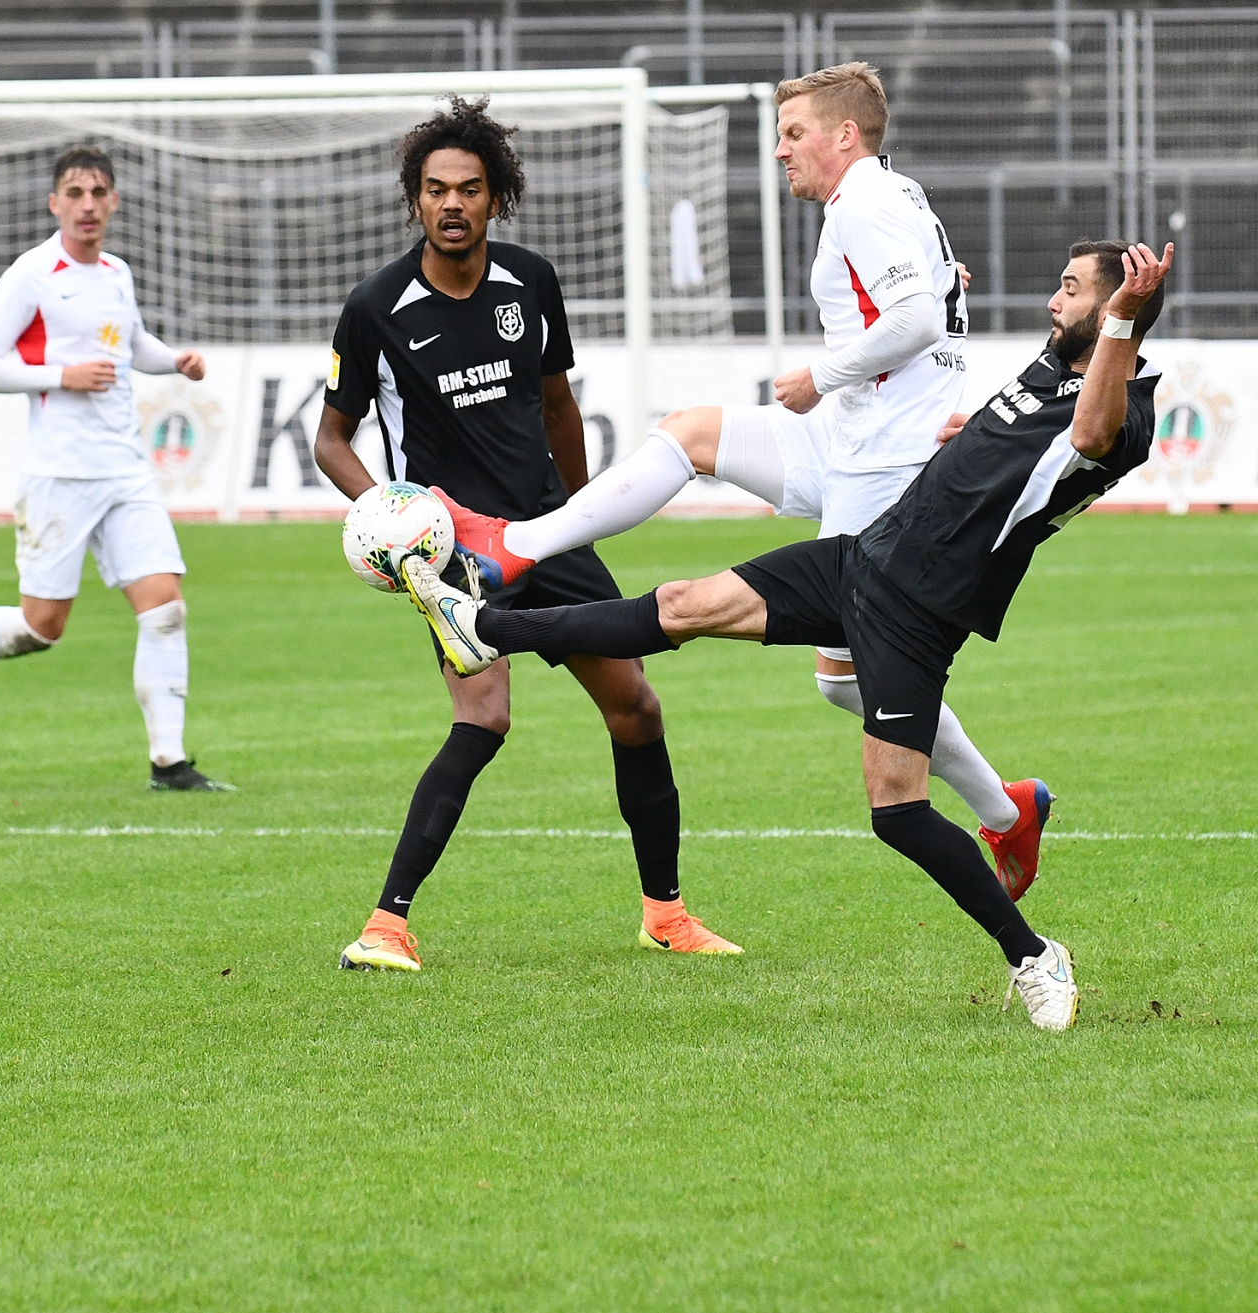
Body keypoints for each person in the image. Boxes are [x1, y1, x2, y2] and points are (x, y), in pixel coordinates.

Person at [404, 239, 1173, 1030]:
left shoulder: (1126, 412)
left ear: (1118, 310)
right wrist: (967, 429)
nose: (1056, 300)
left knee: (896, 810)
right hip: (862, 559)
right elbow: (1018, 437)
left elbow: (1087, 437)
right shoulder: (1054, 366)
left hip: (918, 611)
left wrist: (1117, 321)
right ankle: (485, 625)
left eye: (1073, 290)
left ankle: (1034, 954)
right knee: (681, 605)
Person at [439, 63, 1052, 901]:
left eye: (794, 133)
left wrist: (822, 373)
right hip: (849, 437)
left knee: (844, 679)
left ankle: (1004, 807)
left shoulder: (868, 204)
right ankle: (516, 546)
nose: (779, 150)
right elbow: (929, 294)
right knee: (690, 433)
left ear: (846, 135)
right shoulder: (896, 195)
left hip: (885, 467)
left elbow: (909, 318)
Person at [315, 96, 740, 973]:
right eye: (435, 190)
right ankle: (386, 925)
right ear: (415, 199)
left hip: (550, 536)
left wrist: (577, 521)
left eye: (469, 189)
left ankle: (666, 914)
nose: (452, 205)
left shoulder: (531, 281)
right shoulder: (375, 308)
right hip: (456, 554)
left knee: (637, 708)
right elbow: (331, 438)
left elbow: (558, 406)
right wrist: (391, 522)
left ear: (495, 197)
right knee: (486, 713)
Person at [0, 145, 231, 793]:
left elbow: (132, 343)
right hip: (58, 473)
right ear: (55, 202)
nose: (87, 204)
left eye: (98, 192)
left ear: (113, 202)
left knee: (165, 608)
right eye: (74, 193)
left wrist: (175, 363)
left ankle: (169, 762)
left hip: (125, 472)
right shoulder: (31, 275)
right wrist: (62, 376)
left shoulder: (116, 272)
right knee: (41, 627)